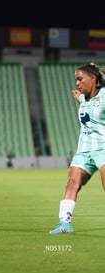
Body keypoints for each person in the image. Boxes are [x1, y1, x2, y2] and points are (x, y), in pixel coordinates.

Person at [49, 62, 105, 234]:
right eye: (76, 80)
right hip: (84, 150)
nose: (77, 84)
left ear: (93, 78)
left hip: (103, 148)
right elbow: (86, 102)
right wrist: (80, 98)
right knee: (72, 183)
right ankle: (64, 223)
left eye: (80, 79)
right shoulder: (83, 98)